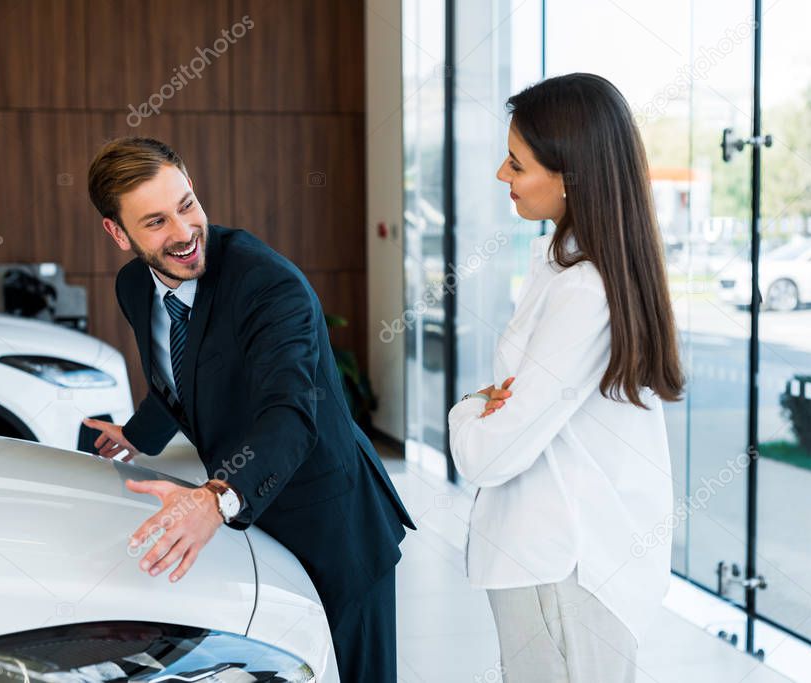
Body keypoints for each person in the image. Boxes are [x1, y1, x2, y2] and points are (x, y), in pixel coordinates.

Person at [83, 136, 415, 682]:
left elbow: (288, 413)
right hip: (249, 527)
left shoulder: (268, 285)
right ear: (118, 233)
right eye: (156, 221)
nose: (184, 233)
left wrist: (215, 498)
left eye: (187, 205)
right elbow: (181, 374)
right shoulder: (133, 287)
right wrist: (136, 434)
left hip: (330, 518)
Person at [448, 73, 684, 682]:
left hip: (563, 571)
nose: (502, 176)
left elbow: (486, 456)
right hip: (554, 565)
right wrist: (492, 406)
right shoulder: (568, 267)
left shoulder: (584, 290)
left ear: (570, 175)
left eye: (516, 163)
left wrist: (466, 408)